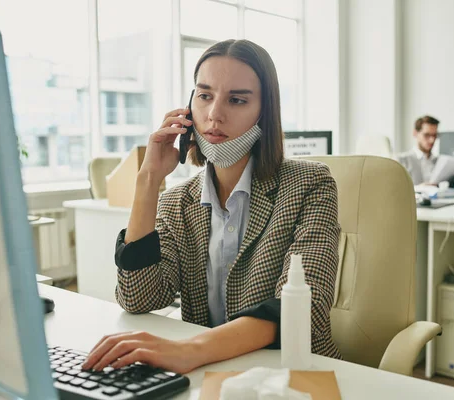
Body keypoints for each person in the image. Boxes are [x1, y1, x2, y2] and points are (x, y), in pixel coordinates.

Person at [81, 39, 342, 374]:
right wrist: (148, 180)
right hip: (211, 373)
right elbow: (139, 298)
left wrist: (190, 350)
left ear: (265, 110)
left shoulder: (310, 185)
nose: (214, 114)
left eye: (236, 100)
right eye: (204, 96)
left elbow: (304, 309)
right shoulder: (178, 200)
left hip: (289, 373)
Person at [396, 115, 440, 186]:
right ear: (415, 133)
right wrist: (419, 188)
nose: (432, 140)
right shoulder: (402, 160)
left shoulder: (439, 162)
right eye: (427, 135)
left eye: (434, 135)